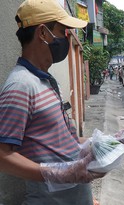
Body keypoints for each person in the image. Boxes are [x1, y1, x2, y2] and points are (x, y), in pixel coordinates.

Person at [0, 0, 105, 204]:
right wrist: (55, 174)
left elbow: (61, 144)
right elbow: (3, 156)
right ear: (42, 33)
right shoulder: (21, 86)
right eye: (63, 31)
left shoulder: (46, 81)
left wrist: (104, 143)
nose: (66, 38)